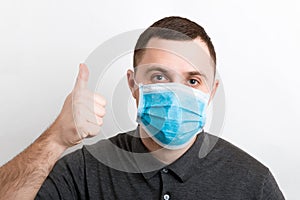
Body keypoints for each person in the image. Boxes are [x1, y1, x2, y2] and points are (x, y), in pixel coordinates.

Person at [0, 16, 284, 200]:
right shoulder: (84, 171)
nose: (177, 93)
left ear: (211, 93)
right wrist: (55, 139)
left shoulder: (253, 183)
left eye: (193, 80)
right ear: (134, 86)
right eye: (159, 77)